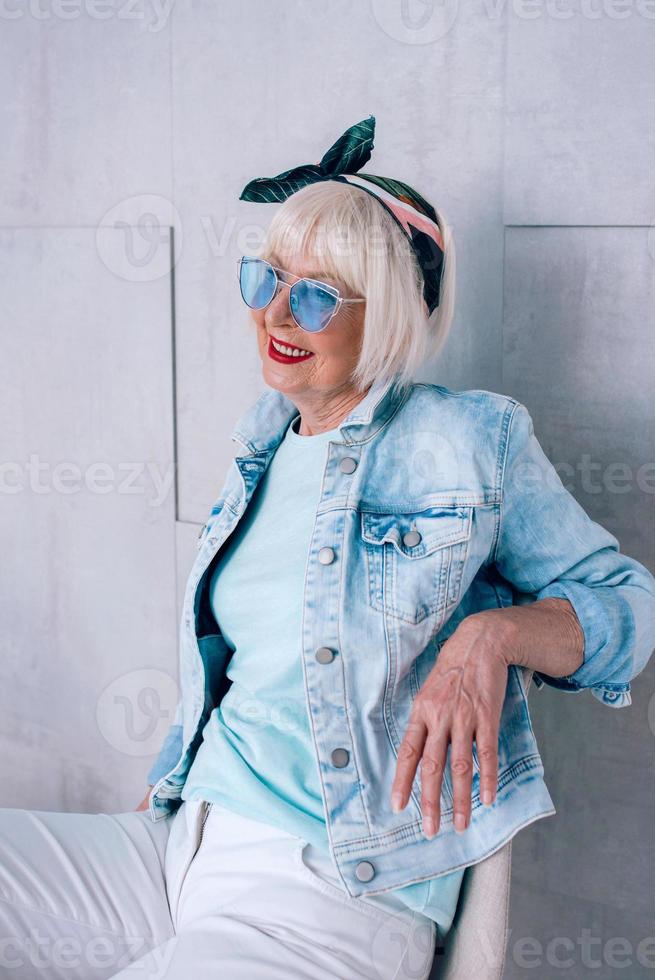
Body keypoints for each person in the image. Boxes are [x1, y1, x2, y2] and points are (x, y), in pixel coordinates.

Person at [2, 117, 654, 980]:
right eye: (266, 278)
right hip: (181, 846)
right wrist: (172, 784)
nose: (274, 313)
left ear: (382, 317)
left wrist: (490, 637)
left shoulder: (467, 439)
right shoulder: (263, 442)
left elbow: (629, 608)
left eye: (315, 295)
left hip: (329, 893)